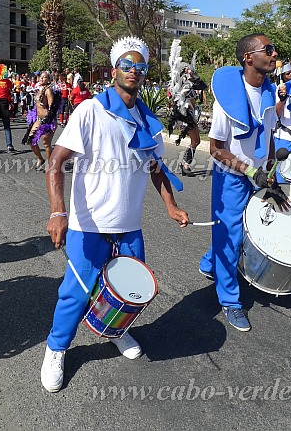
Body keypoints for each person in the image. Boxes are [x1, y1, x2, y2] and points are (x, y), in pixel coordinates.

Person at [41, 36, 189, 393]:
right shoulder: (91, 110)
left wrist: (170, 205)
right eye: (127, 65)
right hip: (89, 225)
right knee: (76, 293)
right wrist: (58, 212)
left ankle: (115, 332)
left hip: (129, 226)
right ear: (114, 70)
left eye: (140, 67)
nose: (133, 71)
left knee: (127, 291)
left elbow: (155, 167)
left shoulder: (146, 118)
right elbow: (55, 162)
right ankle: (56, 348)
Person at [199, 34, 291, 332]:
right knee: (231, 240)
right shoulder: (226, 99)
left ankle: (210, 261)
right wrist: (251, 173)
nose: (274, 53)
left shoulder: (268, 94)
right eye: (268, 50)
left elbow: (268, 136)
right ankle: (230, 302)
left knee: (250, 232)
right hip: (231, 178)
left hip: (259, 174)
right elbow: (215, 148)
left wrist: (271, 172)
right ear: (248, 57)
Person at [167, 40, 207, 176]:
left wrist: (193, 75)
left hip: (188, 115)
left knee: (195, 141)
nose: (188, 72)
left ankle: (184, 165)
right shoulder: (181, 86)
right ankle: (185, 165)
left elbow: (203, 86)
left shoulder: (189, 84)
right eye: (185, 71)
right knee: (196, 141)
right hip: (185, 116)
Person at [22, 71, 62, 171]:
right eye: (41, 77)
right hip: (38, 120)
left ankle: (50, 163)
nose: (41, 79)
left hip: (48, 121)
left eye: (44, 77)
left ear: (48, 79)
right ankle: (40, 159)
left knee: (46, 143)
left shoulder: (48, 91)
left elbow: (52, 107)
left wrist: (48, 121)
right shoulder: (39, 90)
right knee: (31, 140)